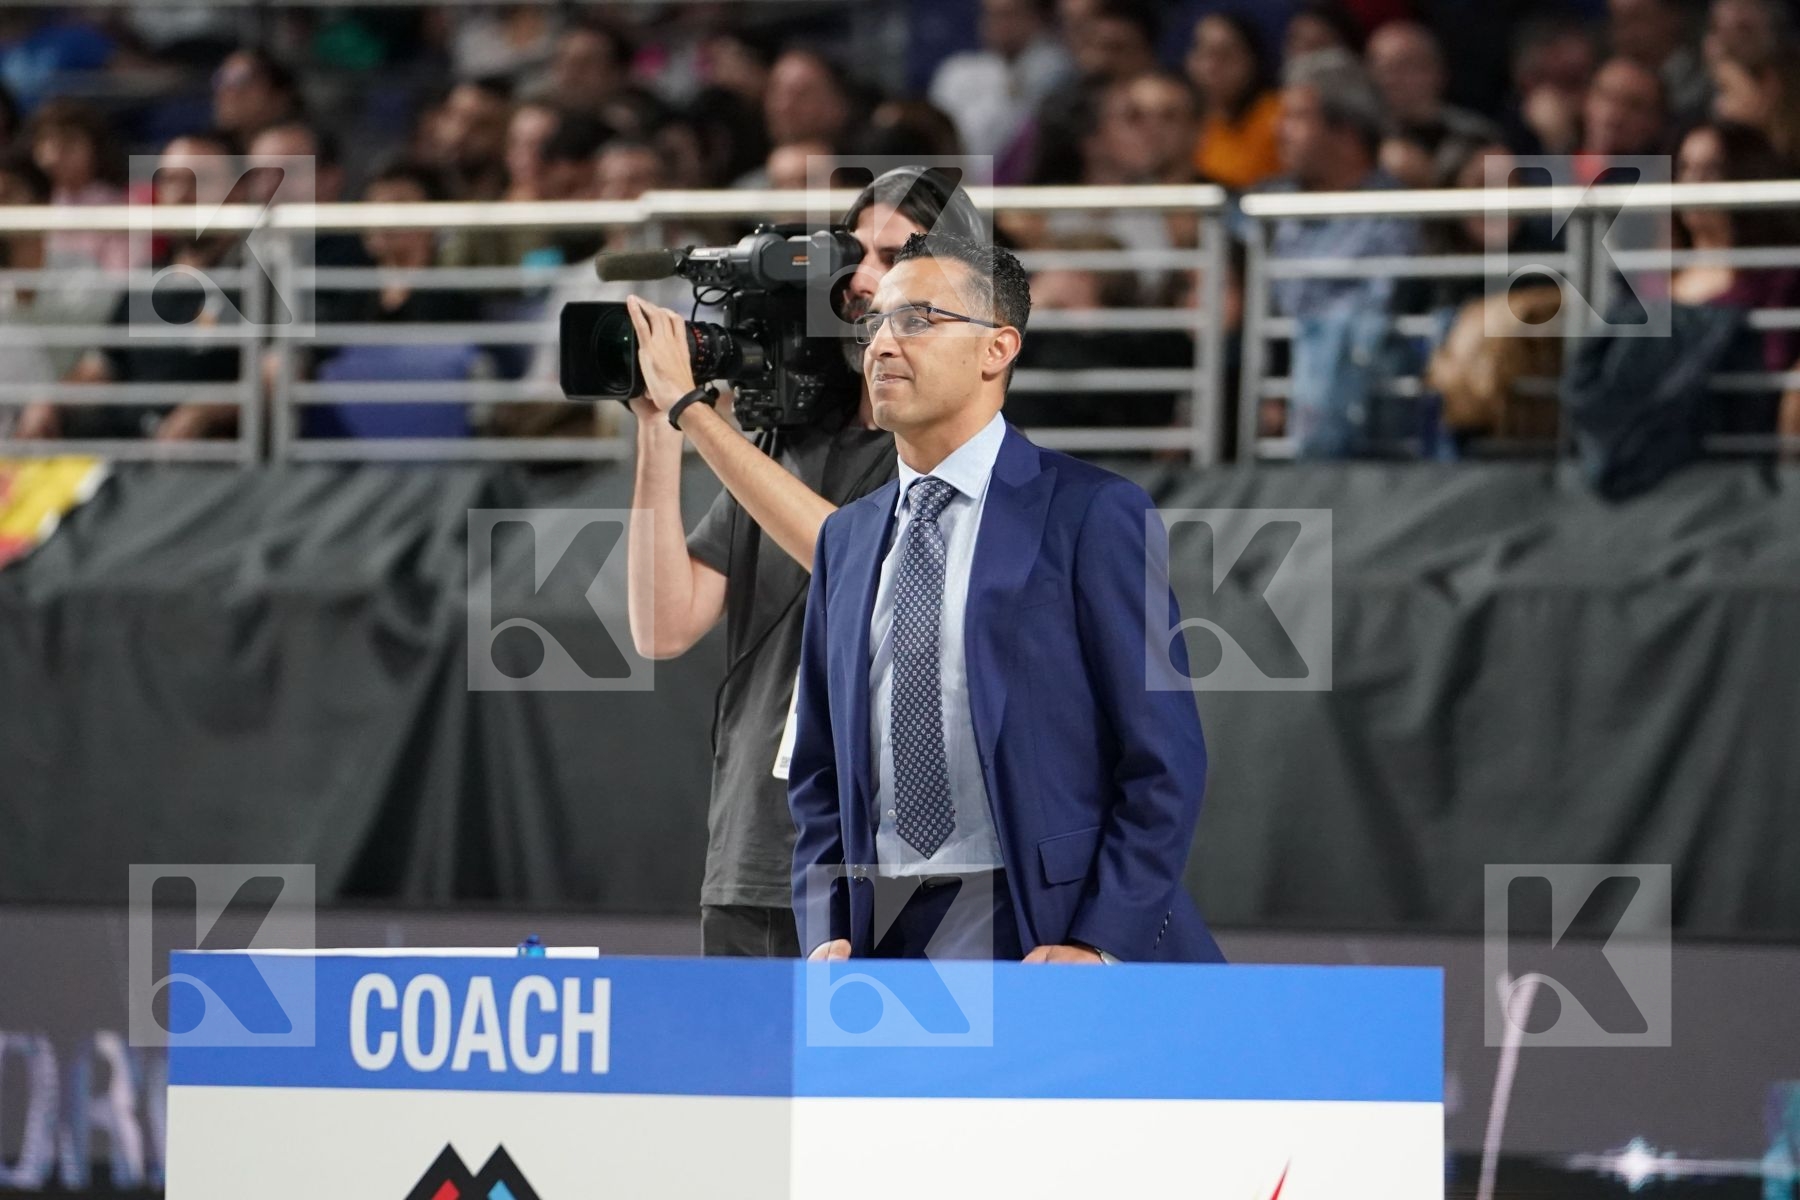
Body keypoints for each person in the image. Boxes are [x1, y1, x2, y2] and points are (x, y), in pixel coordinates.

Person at [782, 231, 1223, 963]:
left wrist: (1098, 940)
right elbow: (818, 771)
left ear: (998, 348)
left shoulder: (1092, 513)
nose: (884, 344)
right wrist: (825, 921)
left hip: (1041, 925)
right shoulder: (846, 539)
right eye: (876, 323)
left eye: (919, 319)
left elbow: (1164, 758)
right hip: (880, 936)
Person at [621, 168, 985, 958]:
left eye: (889, 257)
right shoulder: (789, 441)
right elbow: (662, 626)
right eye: (851, 255)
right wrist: (657, 432)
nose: (859, 280)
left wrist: (694, 412)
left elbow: (852, 559)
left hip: (881, 858)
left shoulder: (952, 445)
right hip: (751, 848)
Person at [1185, 12, 1282, 190]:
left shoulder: (1278, 115)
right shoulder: (1179, 116)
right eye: (1202, 52)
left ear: (1252, 59)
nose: (1211, 66)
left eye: (1225, 54)